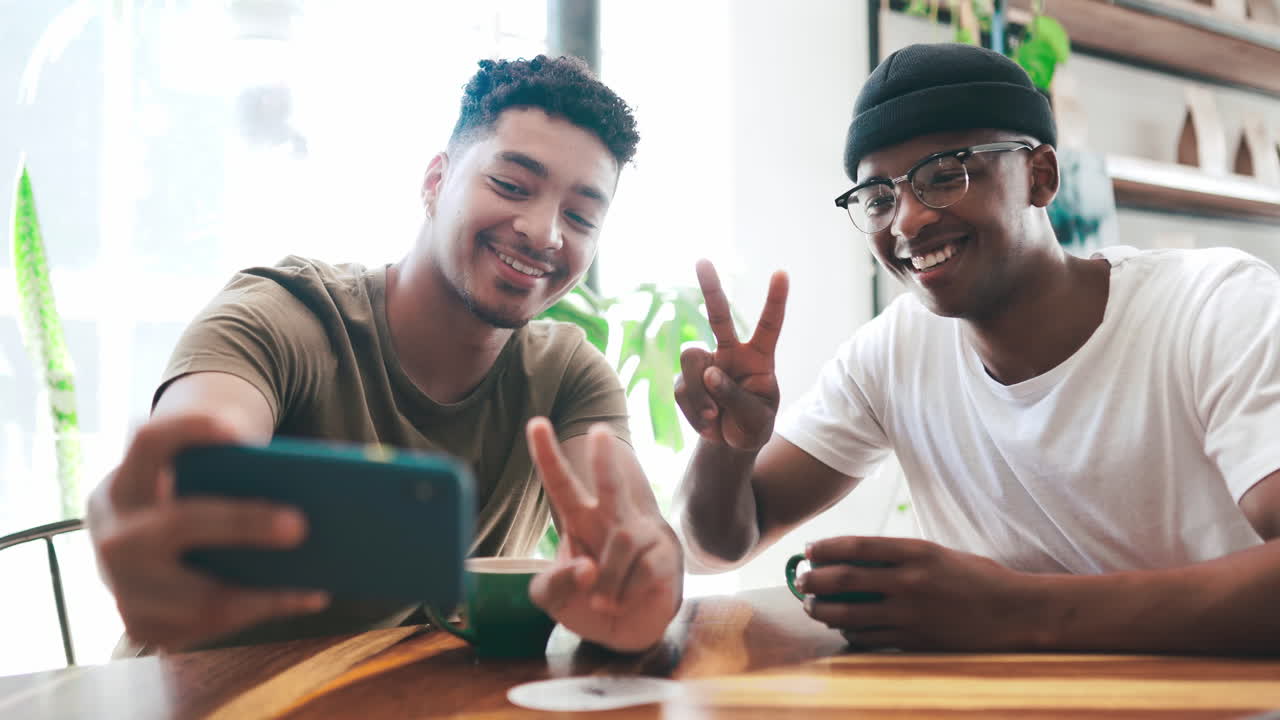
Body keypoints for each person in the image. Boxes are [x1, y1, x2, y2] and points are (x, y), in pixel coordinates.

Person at [674, 43, 1280, 654]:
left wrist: (1013, 612)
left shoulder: (1214, 306)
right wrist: (725, 449)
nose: (906, 222)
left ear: (1039, 177)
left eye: (945, 175)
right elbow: (716, 546)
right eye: (880, 198)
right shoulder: (894, 351)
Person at [88, 55, 682, 655]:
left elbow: (633, 532)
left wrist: (644, 583)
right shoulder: (282, 317)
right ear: (435, 182)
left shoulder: (568, 376)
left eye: (579, 216)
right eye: (510, 185)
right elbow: (200, 450)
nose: (544, 231)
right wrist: (163, 505)